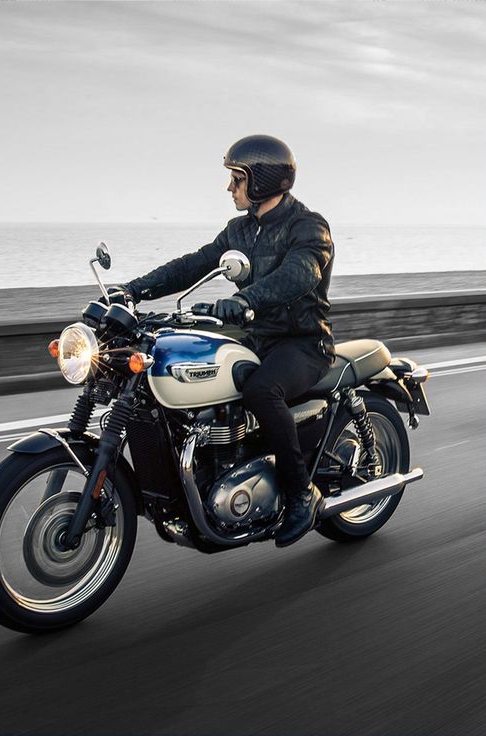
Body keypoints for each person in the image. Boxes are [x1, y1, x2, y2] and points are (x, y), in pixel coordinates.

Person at [116, 134, 335, 547]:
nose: (229, 188)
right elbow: (193, 265)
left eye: (237, 179)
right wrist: (131, 290)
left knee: (261, 390)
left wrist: (246, 298)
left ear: (263, 181)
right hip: (255, 338)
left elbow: (300, 273)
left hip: (303, 342)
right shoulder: (239, 230)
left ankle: (301, 494)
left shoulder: (308, 227)